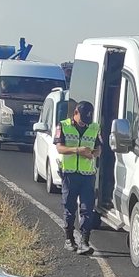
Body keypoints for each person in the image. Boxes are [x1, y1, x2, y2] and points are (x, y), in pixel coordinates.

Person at [57, 100, 101, 255]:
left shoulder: (94, 127)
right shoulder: (63, 125)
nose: (84, 123)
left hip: (88, 175)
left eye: (87, 120)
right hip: (69, 174)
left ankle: (84, 241)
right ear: (75, 113)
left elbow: (99, 149)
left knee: (87, 209)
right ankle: (69, 239)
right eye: (82, 119)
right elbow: (59, 148)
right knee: (69, 207)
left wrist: (93, 153)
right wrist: (77, 150)